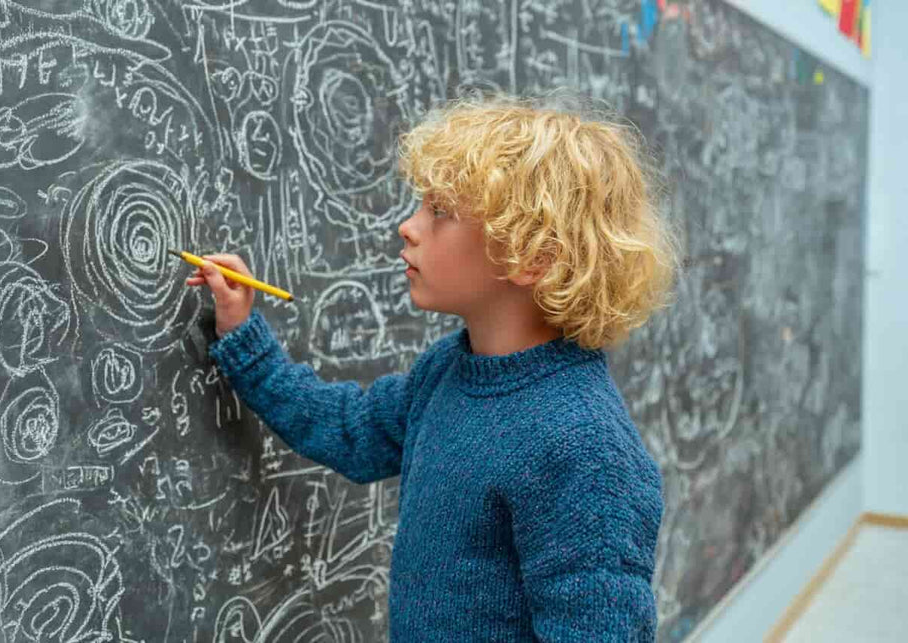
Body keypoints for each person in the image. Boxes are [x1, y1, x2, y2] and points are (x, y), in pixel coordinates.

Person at [185, 93, 680, 641]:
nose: (408, 227)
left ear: (533, 255)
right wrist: (245, 339)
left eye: (439, 212)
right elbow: (351, 430)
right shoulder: (448, 370)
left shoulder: (584, 448)